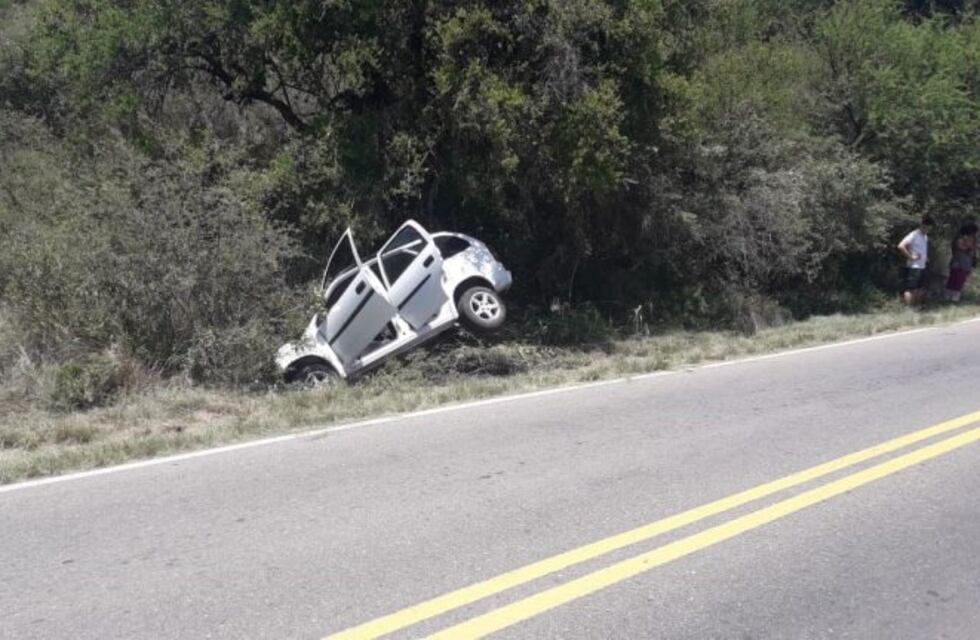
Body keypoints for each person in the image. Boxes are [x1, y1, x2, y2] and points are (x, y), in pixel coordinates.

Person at [897, 215, 934, 305]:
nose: (927, 230)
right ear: (922, 225)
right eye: (926, 228)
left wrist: (926, 257)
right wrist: (910, 257)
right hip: (914, 266)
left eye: (929, 228)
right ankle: (907, 309)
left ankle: (915, 308)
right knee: (910, 289)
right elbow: (901, 246)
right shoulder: (913, 235)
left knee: (920, 288)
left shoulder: (925, 237)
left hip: (922, 266)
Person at [945, 222, 978, 302]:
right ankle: (950, 299)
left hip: (964, 265)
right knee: (954, 282)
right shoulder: (961, 239)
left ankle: (952, 299)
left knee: (958, 282)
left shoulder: (969, 239)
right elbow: (964, 247)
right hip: (959, 264)